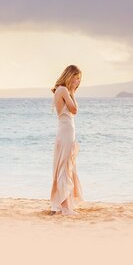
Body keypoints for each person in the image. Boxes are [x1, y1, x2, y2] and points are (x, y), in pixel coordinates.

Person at [50, 65, 83, 215]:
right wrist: (73, 94)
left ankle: (63, 205)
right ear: (69, 76)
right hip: (66, 132)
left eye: (79, 79)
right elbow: (74, 110)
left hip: (66, 131)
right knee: (64, 168)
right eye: (76, 78)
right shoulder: (63, 90)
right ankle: (65, 207)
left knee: (66, 167)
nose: (78, 82)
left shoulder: (61, 90)